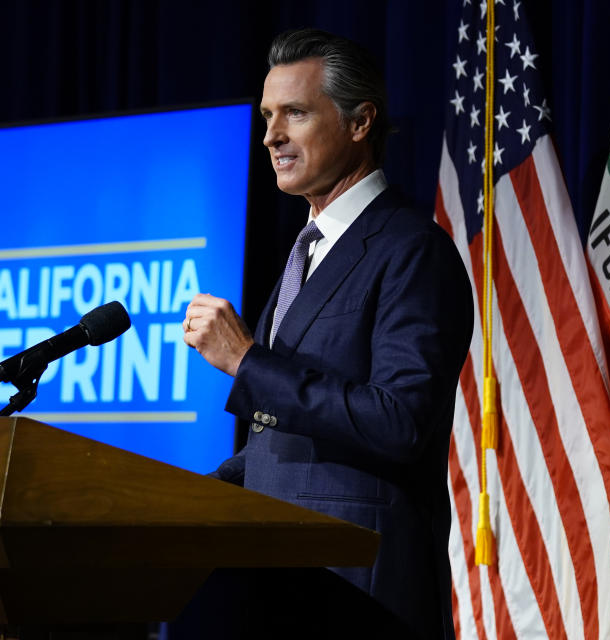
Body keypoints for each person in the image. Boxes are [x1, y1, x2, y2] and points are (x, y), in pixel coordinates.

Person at [181, 29, 473, 639]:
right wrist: (179, 498)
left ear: (361, 122)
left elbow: (401, 423)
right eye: (267, 117)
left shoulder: (411, 251)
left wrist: (247, 361)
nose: (271, 137)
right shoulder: (305, 253)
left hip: (356, 587)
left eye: (295, 114)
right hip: (276, 581)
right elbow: (289, 443)